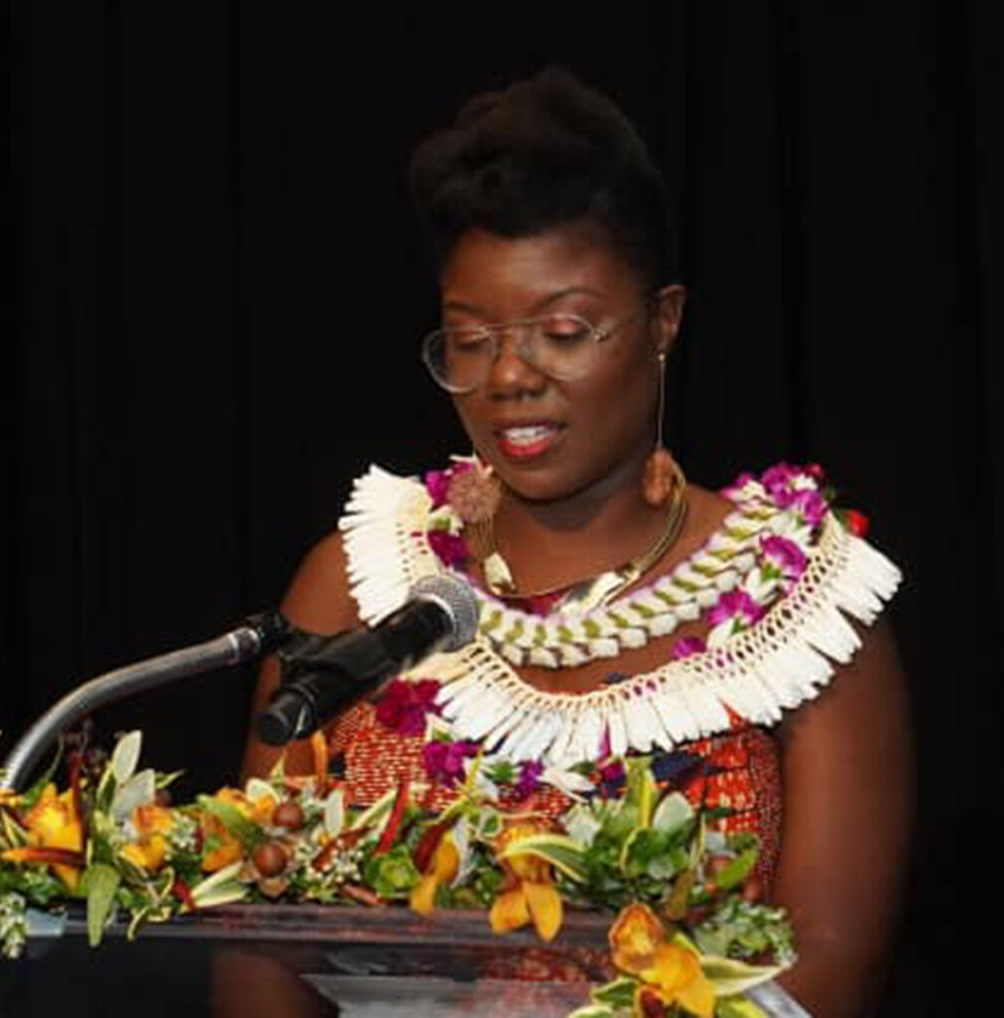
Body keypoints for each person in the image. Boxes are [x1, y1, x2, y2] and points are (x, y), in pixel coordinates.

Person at [240, 68, 911, 1018]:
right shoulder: (360, 587)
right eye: (469, 340)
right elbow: (256, 955)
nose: (511, 376)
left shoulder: (797, 603)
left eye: (563, 331)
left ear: (664, 322)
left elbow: (830, 976)